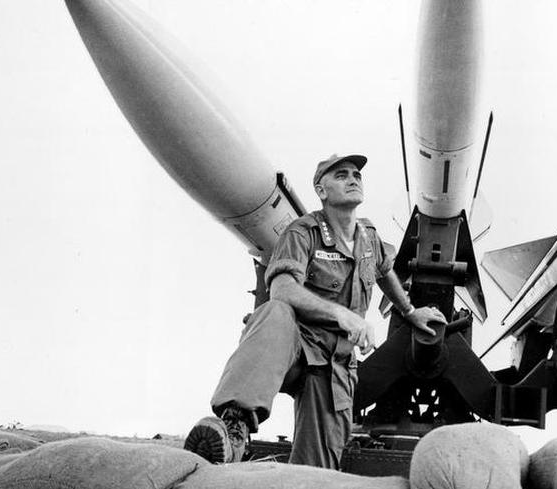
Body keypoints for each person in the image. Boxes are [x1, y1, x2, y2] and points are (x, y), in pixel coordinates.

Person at [183, 153, 446, 468]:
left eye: (356, 175)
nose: (352, 179)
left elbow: (384, 271)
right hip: (296, 345)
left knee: (316, 469)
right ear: (322, 191)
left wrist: (410, 311)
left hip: (335, 367)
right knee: (274, 311)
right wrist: (341, 315)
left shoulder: (369, 238)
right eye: (341, 175)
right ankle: (235, 427)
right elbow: (282, 288)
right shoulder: (302, 232)